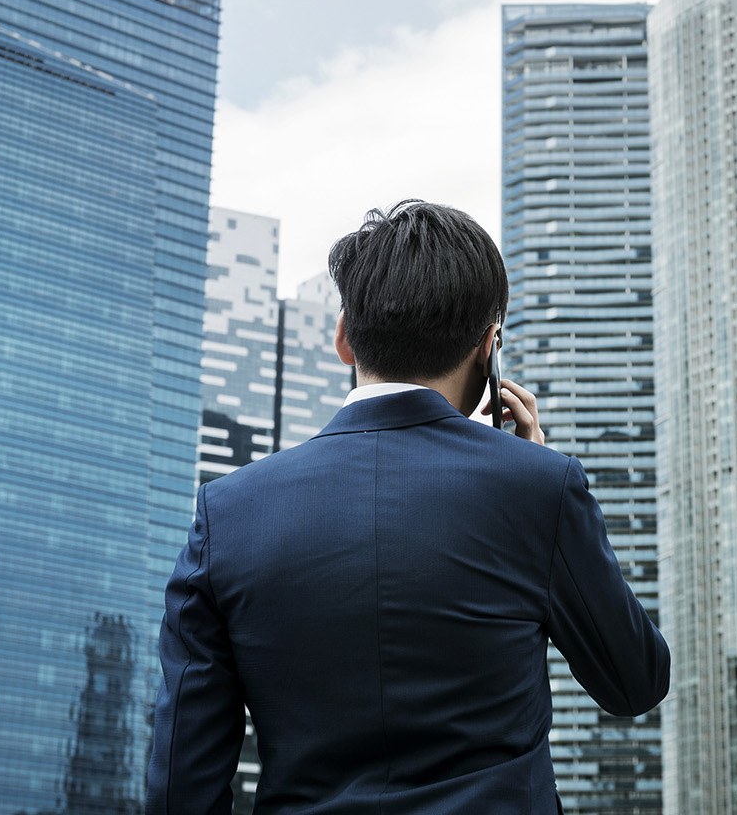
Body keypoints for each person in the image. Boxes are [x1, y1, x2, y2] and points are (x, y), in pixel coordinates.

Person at [147, 200, 668, 815]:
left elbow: (182, 788)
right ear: (488, 348)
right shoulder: (538, 489)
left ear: (344, 337)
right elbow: (634, 683)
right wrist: (536, 476)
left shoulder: (227, 513)